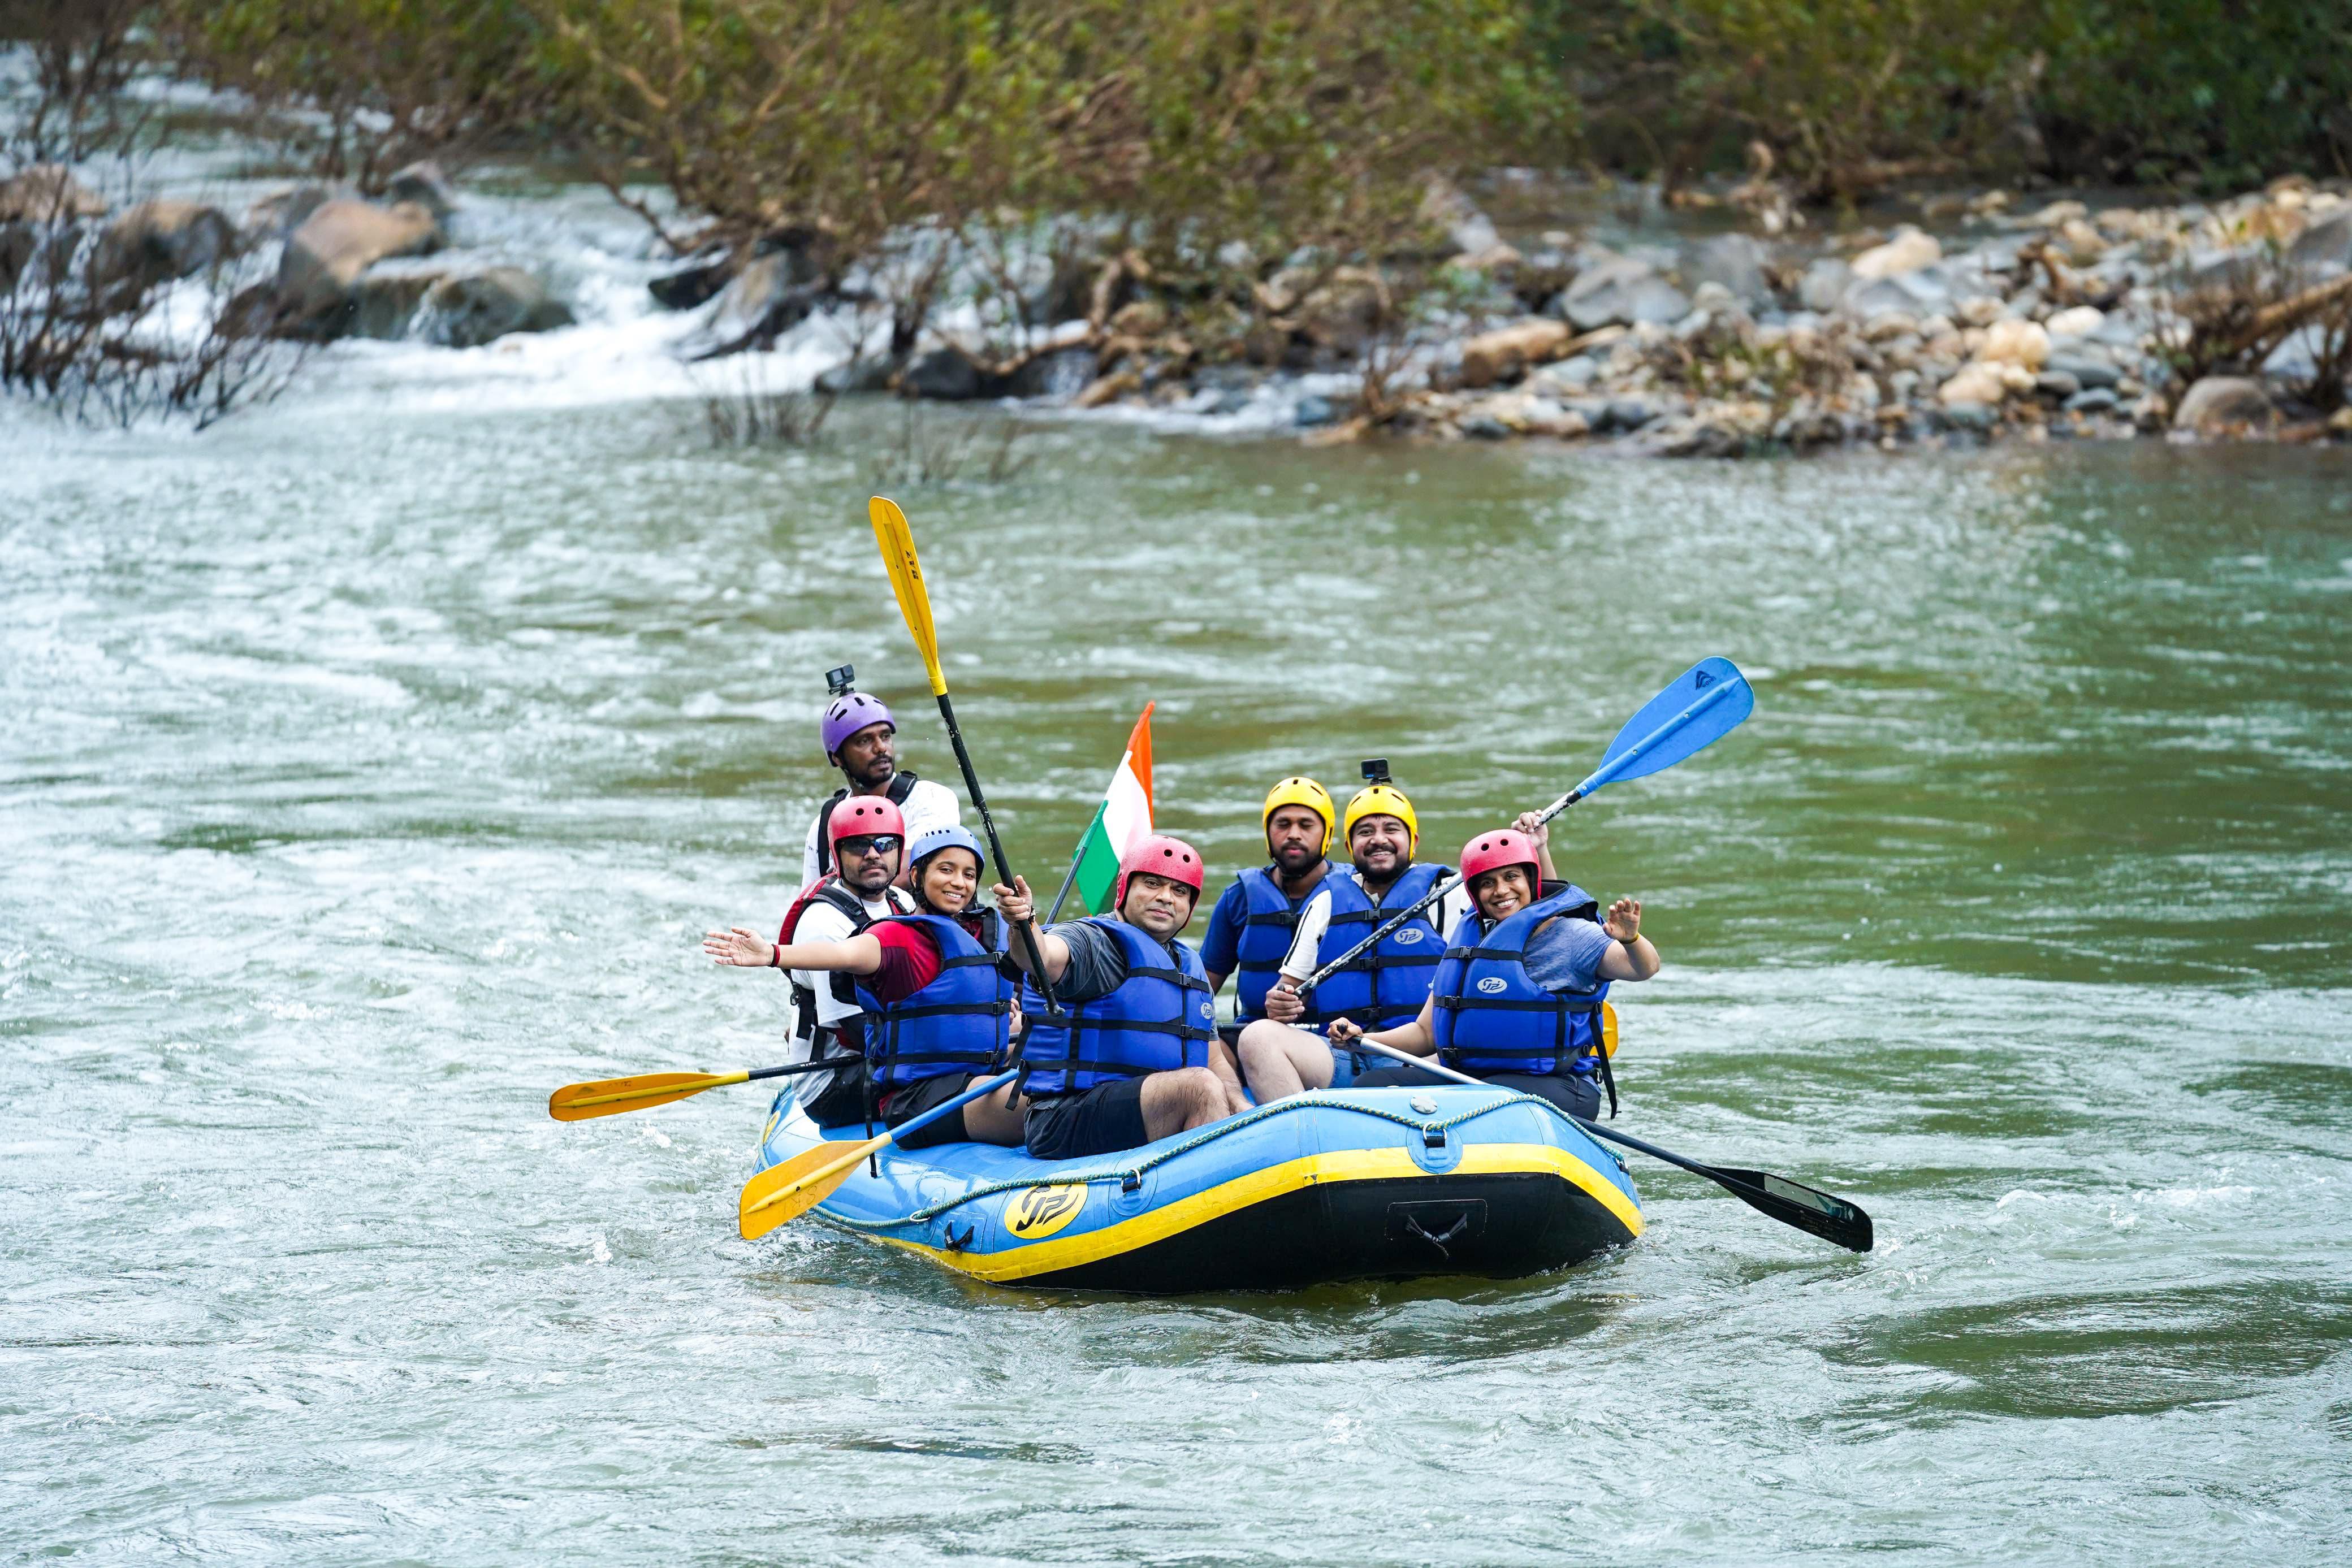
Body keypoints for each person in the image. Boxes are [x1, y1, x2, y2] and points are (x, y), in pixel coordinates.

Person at [705, 826, 1025, 1146]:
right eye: (946, 870)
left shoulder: (980, 936)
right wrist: (773, 954)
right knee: (1039, 1104)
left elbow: (1045, 965)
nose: (959, 882)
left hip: (970, 1075)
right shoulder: (895, 939)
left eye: (969, 875)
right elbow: (842, 952)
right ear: (916, 876)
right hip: (917, 1097)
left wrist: (1026, 920)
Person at [1324, 821, 1659, 1120]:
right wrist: (1362, 1040)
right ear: (1475, 893)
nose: (1501, 891)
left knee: (1480, 1099)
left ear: (1531, 880)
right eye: (1487, 883)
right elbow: (1426, 1034)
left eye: (1511, 877)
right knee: (1372, 1084)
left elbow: (1643, 968)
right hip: (1473, 1082)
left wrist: (1631, 940)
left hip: (1560, 1086)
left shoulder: (1571, 935)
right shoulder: (1470, 943)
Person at [992, 835, 1247, 1160]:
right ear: (1125, 889)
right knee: (1199, 1087)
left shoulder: (1189, 966)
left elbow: (1214, 1060)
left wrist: (1245, 1112)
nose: (1166, 898)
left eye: (1179, 891)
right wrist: (1023, 924)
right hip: (1065, 1117)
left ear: (1190, 906)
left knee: (1216, 1085)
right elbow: (1041, 957)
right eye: (1152, 883)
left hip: (1140, 1107)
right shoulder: (1094, 940)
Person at [1235, 770, 1452, 1099]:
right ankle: (1304, 1137)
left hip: (1425, 1061)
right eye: (1366, 832)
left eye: (1391, 829)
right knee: (1256, 1037)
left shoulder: (1448, 894)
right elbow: (1289, 991)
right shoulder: (1325, 902)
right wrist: (1281, 1002)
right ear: (1350, 846)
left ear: (1414, 842)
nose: (1378, 839)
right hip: (1345, 1058)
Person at [710, 795, 914, 1127]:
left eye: (885, 843)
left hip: (879, 1058)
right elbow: (856, 1032)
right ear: (837, 854)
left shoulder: (901, 902)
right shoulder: (824, 922)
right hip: (833, 1081)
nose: (874, 854)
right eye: (859, 845)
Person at [1199, 777, 1337, 1038]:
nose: (1293, 834)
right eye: (1283, 825)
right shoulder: (1238, 898)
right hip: (1251, 1035)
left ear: (1327, 833)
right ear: (1268, 832)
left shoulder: (1353, 893)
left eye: (1306, 825)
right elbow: (1201, 988)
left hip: (1334, 1038)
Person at [801, 666, 960, 887]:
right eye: (864, 741)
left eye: (885, 737)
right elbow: (808, 898)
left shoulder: (932, 798)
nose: (880, 748)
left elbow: (905, 876)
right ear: (837, 757)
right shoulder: (824, 824)